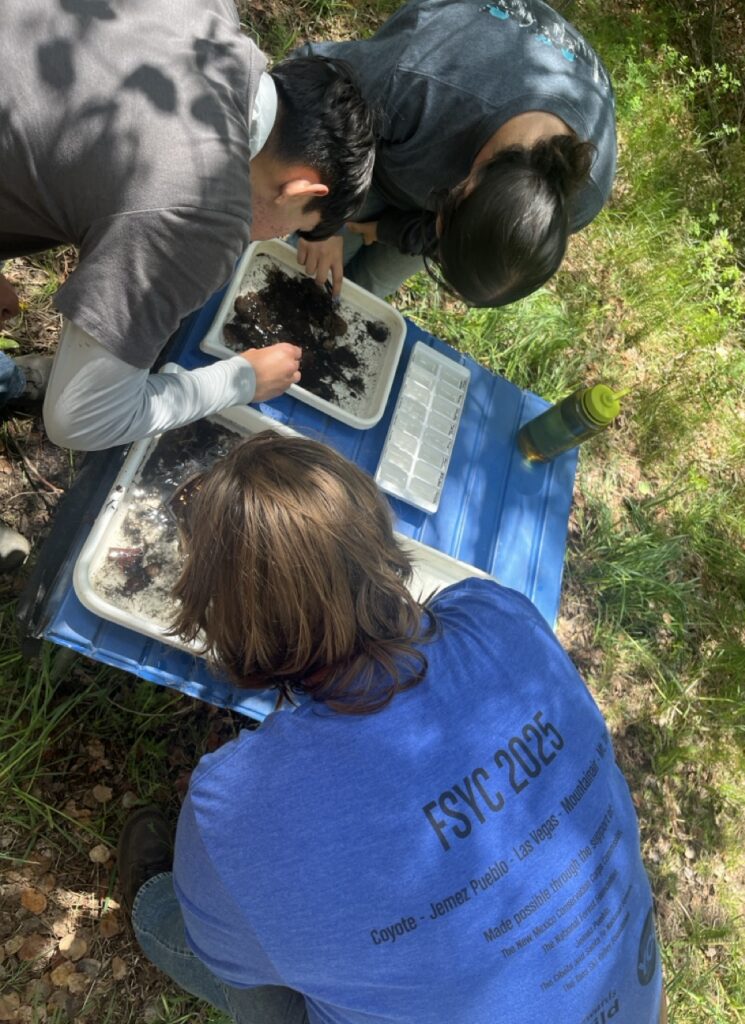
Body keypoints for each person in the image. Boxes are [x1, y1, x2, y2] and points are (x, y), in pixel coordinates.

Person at [117, 431, 666, 1024]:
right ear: (379, 542)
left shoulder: (229, 810)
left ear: (225, 627)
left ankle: (155, 907)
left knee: (176, 926)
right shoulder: (500, 615)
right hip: (636, 1001)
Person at [0, 0, 376, 452]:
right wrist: (238, 381)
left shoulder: (209, 12)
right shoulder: (202, 211)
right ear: (299, 191)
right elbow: (80, 419)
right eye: (287, 228)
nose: (272, 237)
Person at [294, 0, 617, 306]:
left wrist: (385, 231)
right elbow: (312, 77)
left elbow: (449, 241)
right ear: (462, 185)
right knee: (305, 263)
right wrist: (324, 224)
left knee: (367, 289)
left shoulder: (580, 195)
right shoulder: (420, 81)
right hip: (377, 149)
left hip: (439, 175)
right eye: (441, 232)